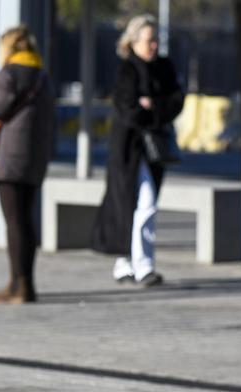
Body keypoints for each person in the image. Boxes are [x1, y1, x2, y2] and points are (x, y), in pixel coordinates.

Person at [92, 14, 184, 287]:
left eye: (156, 40)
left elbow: (176, 101)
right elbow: (128, 109)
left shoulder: (164, 67)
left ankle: (128, 262)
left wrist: (151, 106)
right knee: (140, 202)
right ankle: (140, 265)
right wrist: (152, 108)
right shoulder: (127, 70)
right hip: (128, 149)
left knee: (141, 202)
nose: (154, 46)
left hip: (155, 149)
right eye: (149, 40)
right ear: (132, 43)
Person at [0, 25, 55, 304]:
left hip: (11, 156)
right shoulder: (42, 75)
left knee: (14, 222)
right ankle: (27, 282)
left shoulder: (10, 74)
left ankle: (18, 284)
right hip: (35, 157)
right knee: (25, 219)